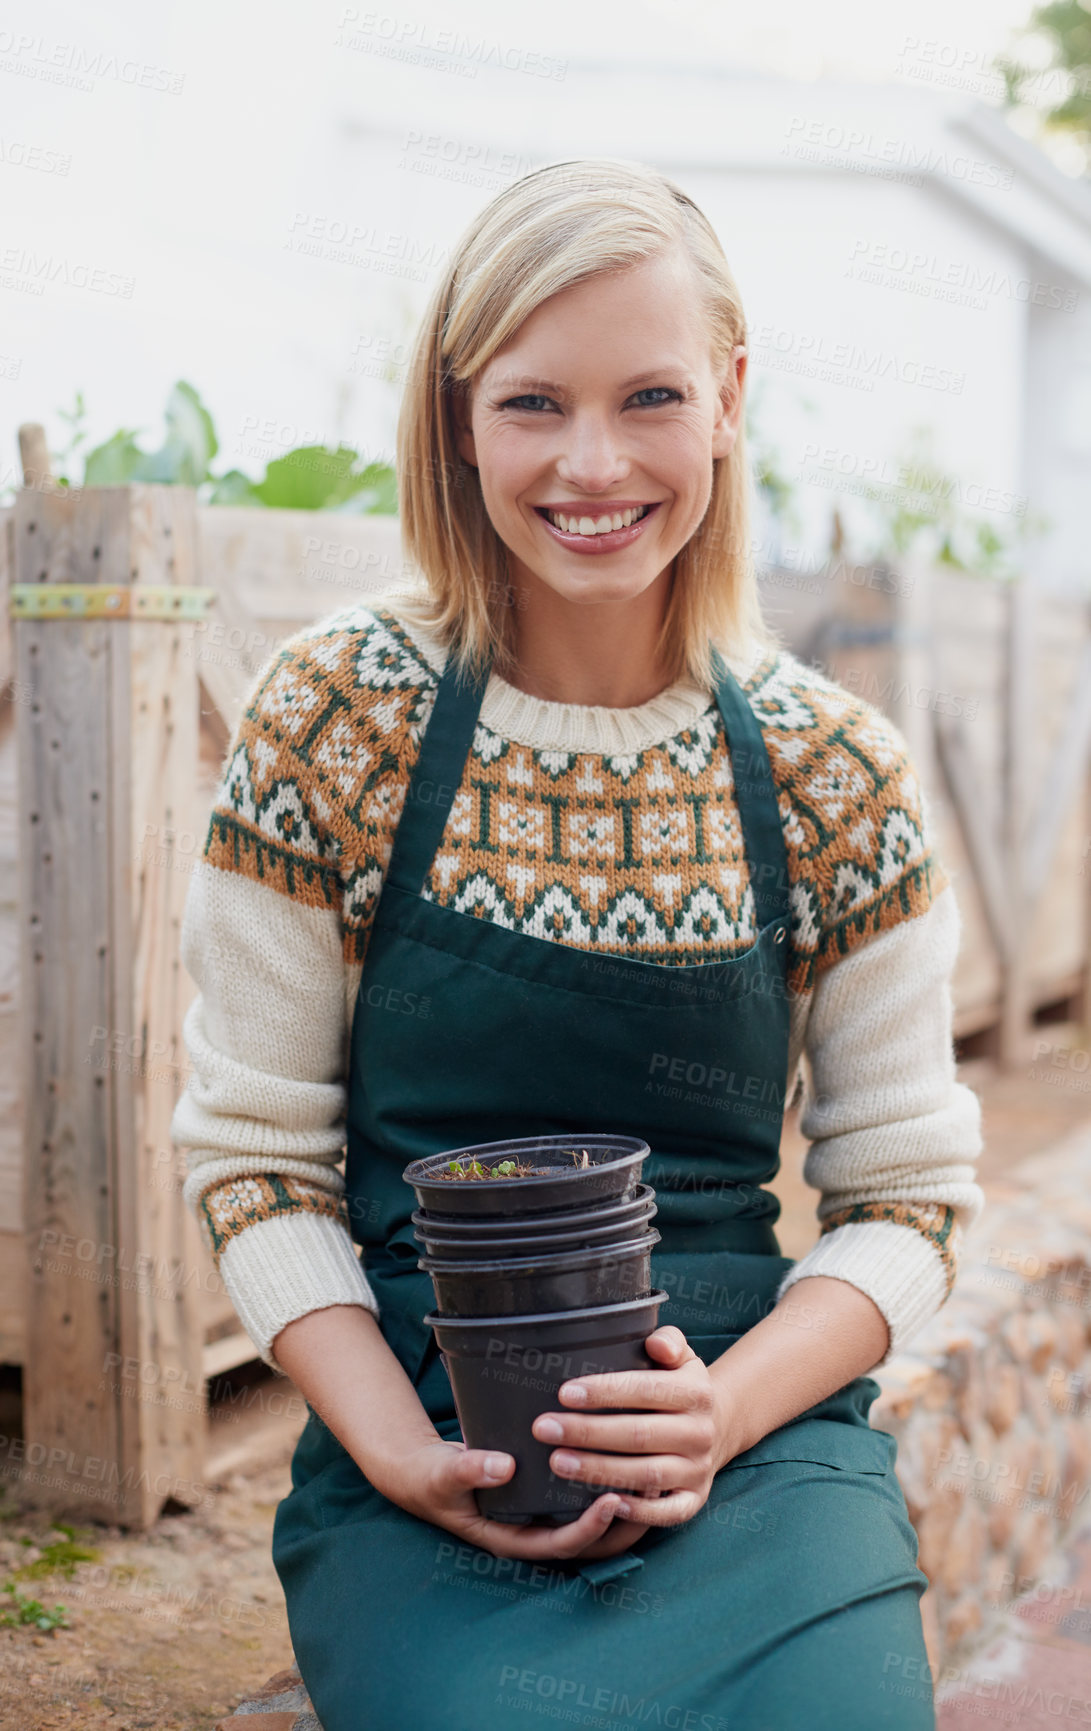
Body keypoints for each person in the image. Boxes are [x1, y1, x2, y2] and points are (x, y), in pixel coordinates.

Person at [171, 157, 983, 1730]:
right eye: (534, 403)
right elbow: (251, 1160)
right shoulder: (340, 719)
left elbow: (909, 1199)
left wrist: (723, 1414)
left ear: (732, 398)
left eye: (651, 396)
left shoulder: (834, 773)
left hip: (753, 1440)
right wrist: (400, 1449)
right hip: (430, 1428)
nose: (592, 463)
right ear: (458, 413)